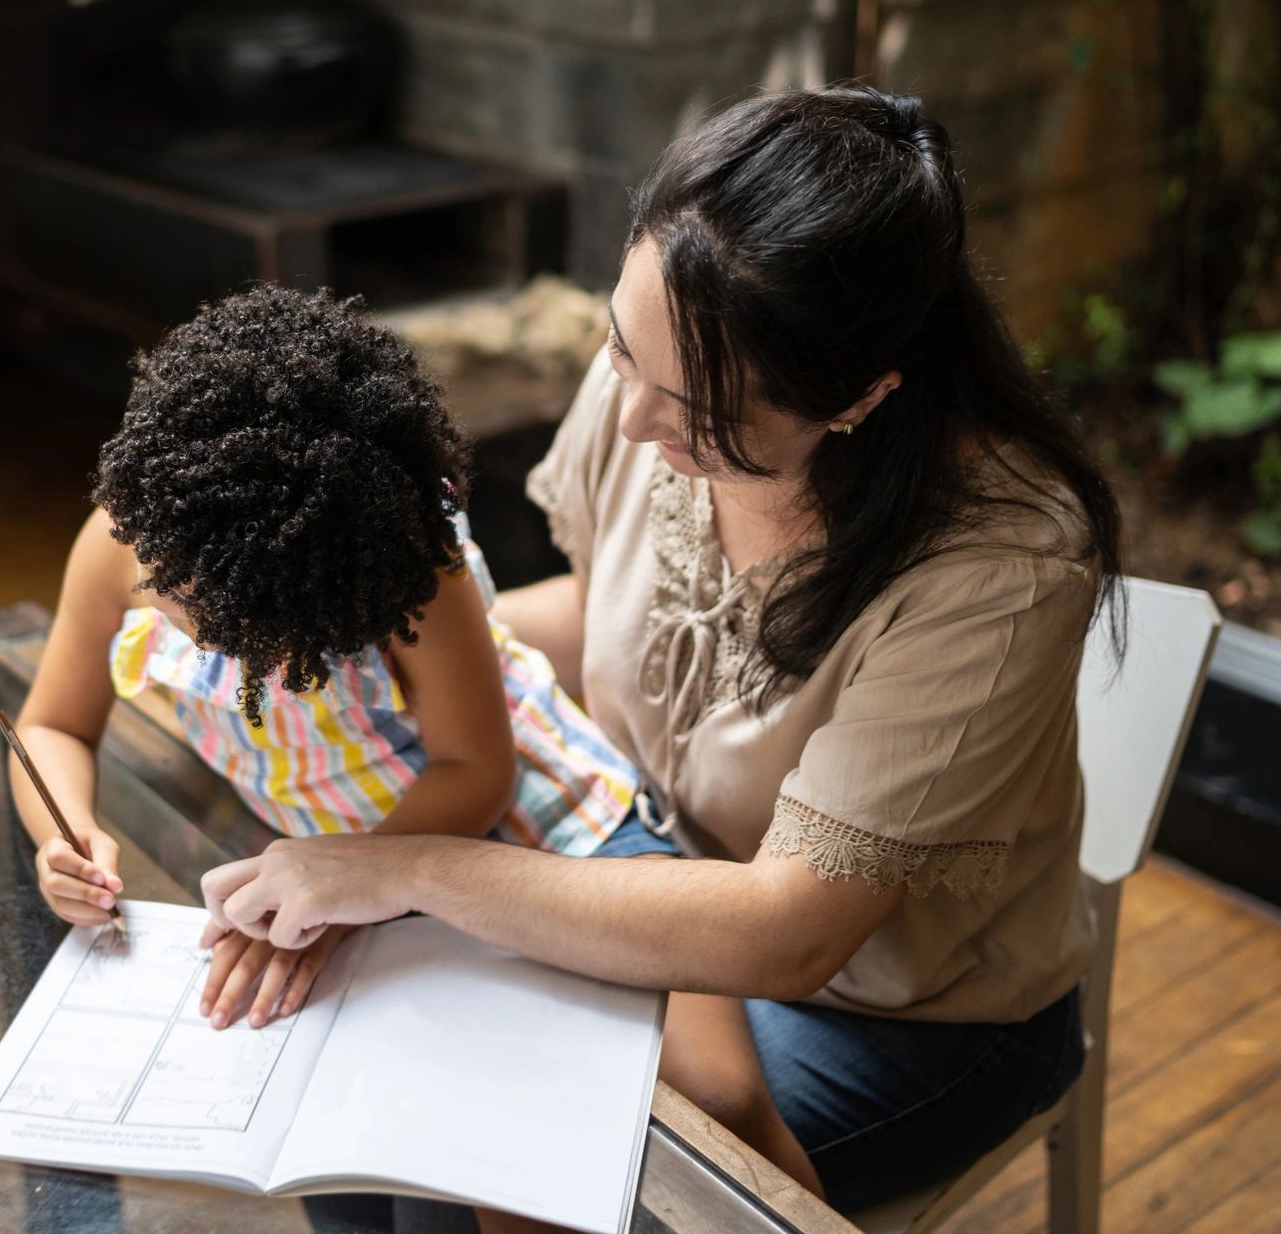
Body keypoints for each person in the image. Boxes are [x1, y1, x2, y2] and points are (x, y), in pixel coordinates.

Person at [198, 87, 1123, 1212]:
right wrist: (368, 675)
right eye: (619, 350)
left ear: (862, 397)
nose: (632, 421)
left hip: (897, 1015)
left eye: (693, 413)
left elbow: (789, 932)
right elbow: (604, 610)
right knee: (352, 1081)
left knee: (465, 1142)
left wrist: (398, 867)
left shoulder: (1000, 568)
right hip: (636, 869)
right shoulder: (671, 354)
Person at [8, 286, 639, 1033]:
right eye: (184, 606)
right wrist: (64, 835)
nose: (211, 643)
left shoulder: (413, 571)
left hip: (529, 832)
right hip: (337, 866)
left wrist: (350, 887)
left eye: (252, 634)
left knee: (670, 1072)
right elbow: (52, 727)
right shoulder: (124, 545)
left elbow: (476, 770)